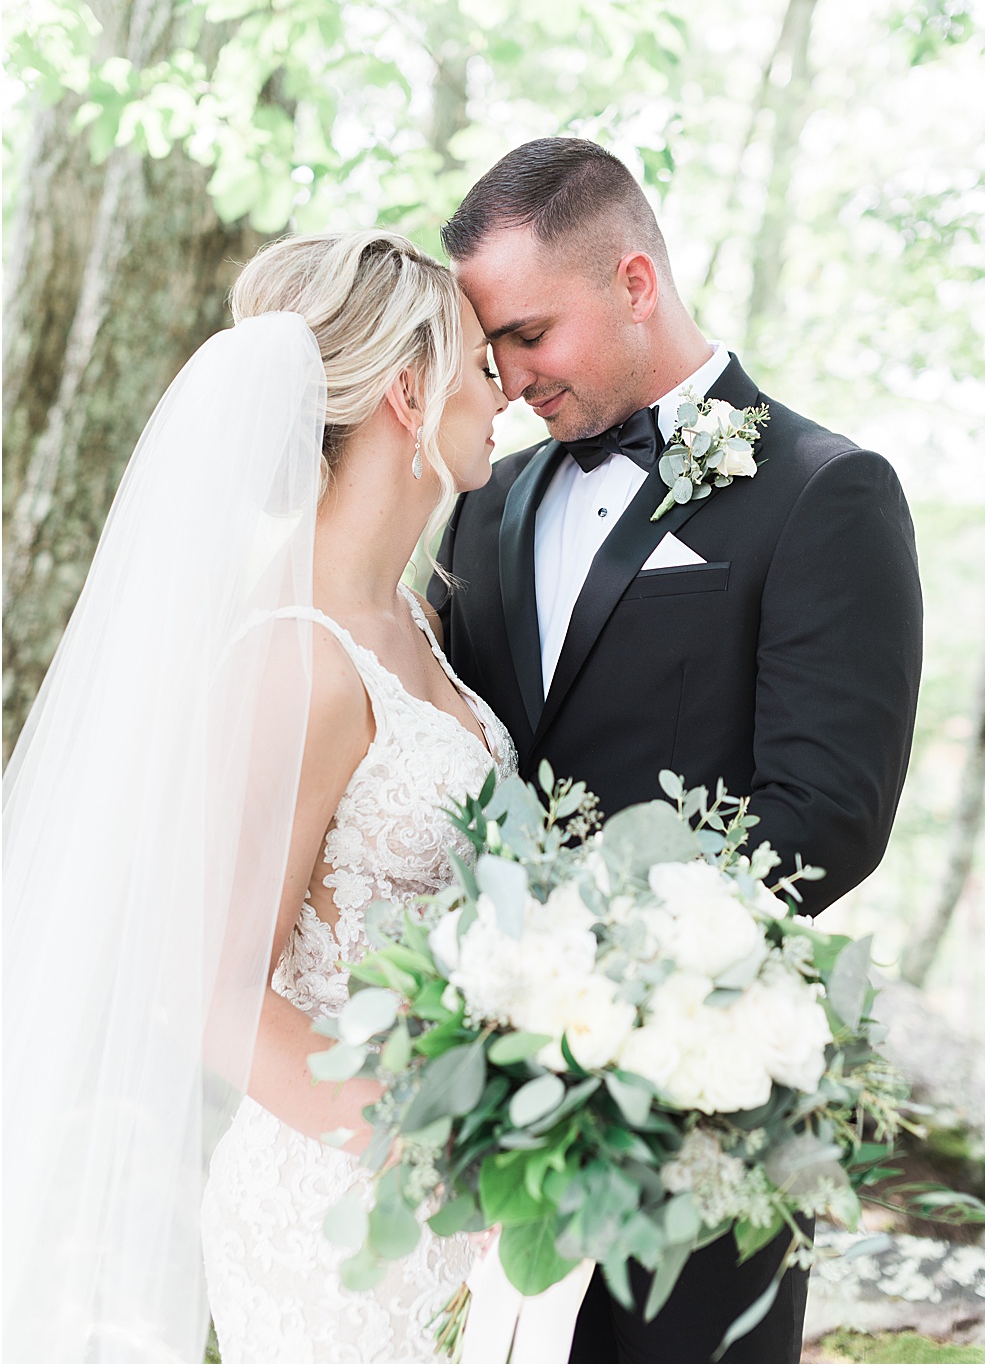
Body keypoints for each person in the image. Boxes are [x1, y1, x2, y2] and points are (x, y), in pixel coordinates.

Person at [429, 136, 925, 1363]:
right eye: (490, 346)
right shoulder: (484, 504)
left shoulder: (827, 490)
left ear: (635, 281)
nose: (507, 377)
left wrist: (605, 983)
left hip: (706, 1095)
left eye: (531, 334)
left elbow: (827, 812)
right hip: (490, 1095)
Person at [3, 230, 511, 1362]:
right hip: (350, 1219)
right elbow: (211, 993)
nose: (505, 388)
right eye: (481, 362)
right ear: (407, 388)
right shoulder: (295, 652)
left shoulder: (415, 619)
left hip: (459, 1205)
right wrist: (436, 1156)